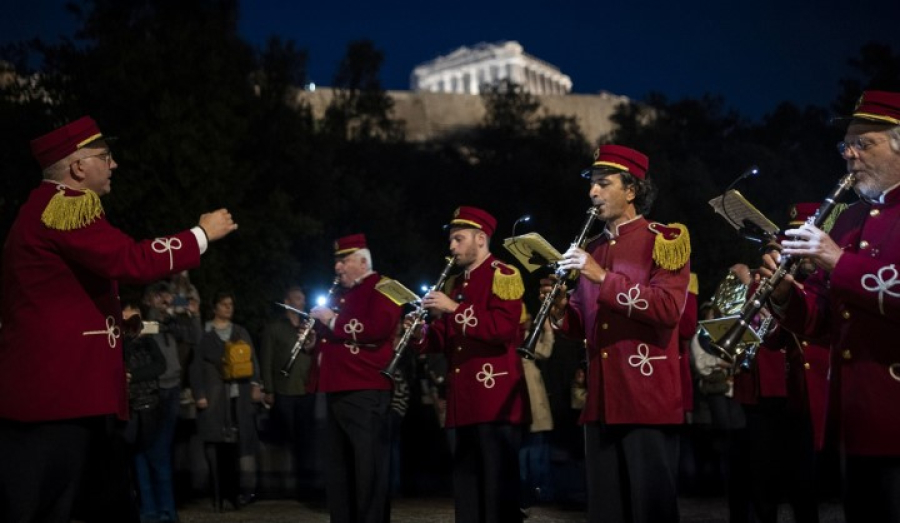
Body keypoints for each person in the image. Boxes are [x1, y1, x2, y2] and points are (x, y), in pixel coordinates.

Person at [0, 116, 237, 523]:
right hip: (59, 400)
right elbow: (130, 260)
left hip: (69, 393)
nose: (114, 165)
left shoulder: (49, 208)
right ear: (78, 167)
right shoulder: (64, 206)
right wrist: (200, 234)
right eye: (105, 157)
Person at [761, 90, 900, 523]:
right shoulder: (848, 218)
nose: (850, 155)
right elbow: (823, 318)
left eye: (865, 143)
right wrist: (786, 293)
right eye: (846, 146)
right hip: (853, 415)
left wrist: (837, 261)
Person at [542, 145, 691, 523]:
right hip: (603, 397)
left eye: (603, 183)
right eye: (591, 183)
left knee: (650, 509)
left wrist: (602, 277)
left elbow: (668, 310)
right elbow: (585, 324)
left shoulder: (666, 239)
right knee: (607, 510)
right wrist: (561, 310)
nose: (593, 192)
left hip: (647, 395)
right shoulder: (591, 248)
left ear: (631, 190)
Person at [417, 206, 529, 523]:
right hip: (464, 400)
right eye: (451, 240)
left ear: (481, 239)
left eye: (458, 239)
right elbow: (444, 337)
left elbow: (503, 329)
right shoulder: (457, 284)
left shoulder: (504, 275)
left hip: (495, 401)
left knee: (498, 493)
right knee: (467, 491)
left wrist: (452, 309)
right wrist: (418, 334)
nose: (451, 247)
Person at [308, 234, 402, 523]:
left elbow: (378, 327)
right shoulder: (339, 294)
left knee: (368, 467)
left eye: (344, 261)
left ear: (363, 261)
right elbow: (330, 339)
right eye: (337, 261)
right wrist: (313, 337)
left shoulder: (385, 288)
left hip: (365, 389)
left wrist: (332, 321)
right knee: (339, 469)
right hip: (335, 387)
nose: (338, 268)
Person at [191, 290, 262, 511]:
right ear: (215, 308)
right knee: (215, 447)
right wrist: (199, 394)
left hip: (237, 397)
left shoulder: (240, 332)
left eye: (231, 304)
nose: (228, 308)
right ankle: (218, 494)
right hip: (215, 399)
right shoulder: (205, 334)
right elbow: (196, 368)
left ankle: (237, 493)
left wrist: (255, 385)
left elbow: (253, 360)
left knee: (238, 449)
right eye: (224, 305)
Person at [135, 281, 200, 523]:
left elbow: (194, 337)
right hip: (149, 391)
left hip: (171, 389)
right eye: (159, 297)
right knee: (149, 451)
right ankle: (157, 509)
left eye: (167, 296)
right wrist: (167, 311)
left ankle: (161, 509)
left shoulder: (172, 323)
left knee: (157, 450)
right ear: (148, 300)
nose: (165, 301)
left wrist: (192, 315)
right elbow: (149, 328)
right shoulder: (142, 322)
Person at [259, 285, 318, 498]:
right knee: (284, 438)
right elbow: (266, 359)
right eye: (297, 298)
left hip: (305, 390)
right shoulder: (274, 327)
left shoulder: (308, 326)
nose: (301, 301)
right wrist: (268, 389)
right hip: (283, 390)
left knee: (306, 439)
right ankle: (281, 484)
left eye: (303, 298)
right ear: (287, 300)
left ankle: (304, 486)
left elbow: (314, 354)